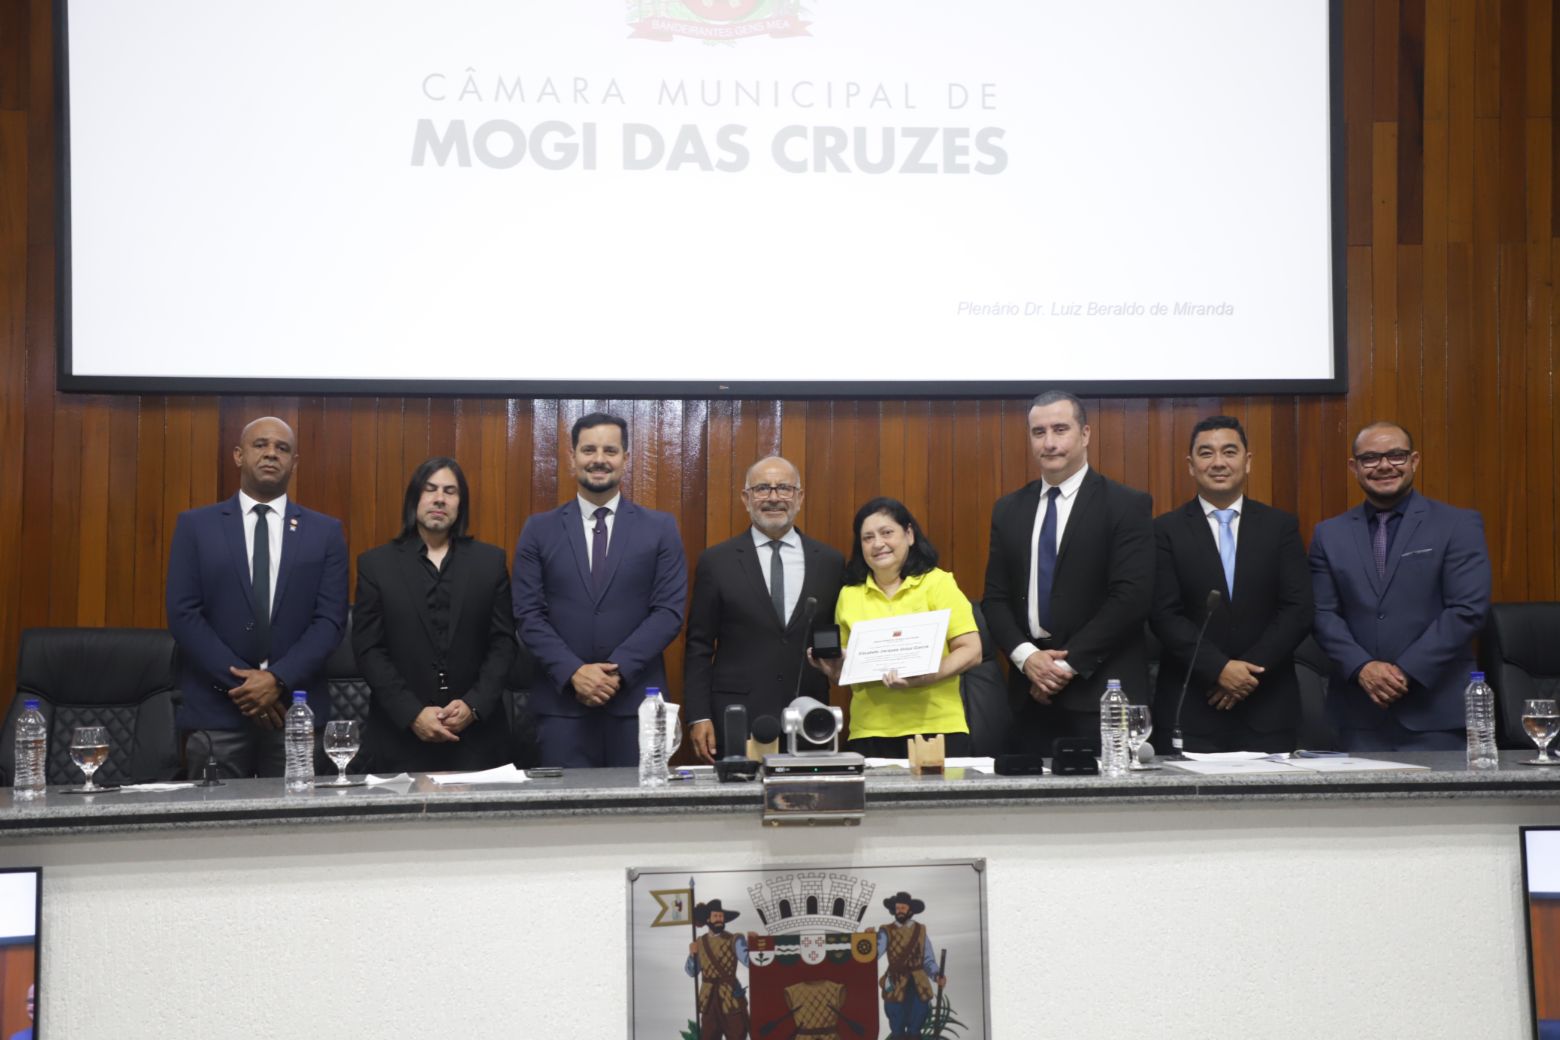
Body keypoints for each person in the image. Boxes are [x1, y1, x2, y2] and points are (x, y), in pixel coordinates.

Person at [166, 416, 348, 778]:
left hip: (294, 711)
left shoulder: (325, 532)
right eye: (260, 445)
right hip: (216, 712)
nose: (271, 453)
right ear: (238, 455)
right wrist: (246, 687)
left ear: (294, 462)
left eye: (282, 448)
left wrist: (277, 680)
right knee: (212, 815)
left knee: (296, 814)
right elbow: (183, 614)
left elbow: (330, 621)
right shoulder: (196, 526)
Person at [981, 390, 1154, 756]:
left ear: (1085, 434)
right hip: (1030, 697)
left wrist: (1064, 666)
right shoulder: (1009, 509)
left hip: (1100, 696)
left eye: (1060, 429)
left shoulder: (1125, 504)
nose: (1049, 442)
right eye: (1038, 432)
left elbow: (1131, 598)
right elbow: (995, 600)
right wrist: (1027, 658)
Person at [513, 412, 688, 767]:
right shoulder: (539, 530)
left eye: (610, 450)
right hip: (562, 708)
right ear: (572, 457)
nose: (599, 459)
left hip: (637, 708)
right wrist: (574, 673)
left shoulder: (660, 528)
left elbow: (668, 612)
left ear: (626, 458)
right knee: (563, 805)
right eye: (588, 449)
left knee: (639, 804)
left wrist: (616, 672)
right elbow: (527, 614)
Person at [1309, 421, 1492, 751]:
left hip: (1435, 712)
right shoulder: (1329, 534)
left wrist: (1404, 671)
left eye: (1396, 455)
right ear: (1354, 467)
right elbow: (1322, 613)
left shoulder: (1457, 524)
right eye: (1370, 458)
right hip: (1358, 715)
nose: (1384, 466)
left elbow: (1467, 610)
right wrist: (1363, 668)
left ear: (1414, 461)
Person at [1149, 416, 1313, 753]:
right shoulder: (1164, 531)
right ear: (1191, 465)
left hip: (1268, 707)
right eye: (1206, 453)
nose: (1218, 462)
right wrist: (1219, 669)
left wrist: (1245, 674)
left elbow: (1297, 610)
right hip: (1191, 707)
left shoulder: (1280, 527)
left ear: (1247, 461)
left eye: (1229, 451)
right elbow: (1164, 615)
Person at [352, 457, 518, 773]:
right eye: (430, 489)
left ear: (460, 504)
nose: (439, 498)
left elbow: (504, 644)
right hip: (399, 738)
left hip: (477, 740)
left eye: (450, 491)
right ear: (414, 499)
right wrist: (412, 713)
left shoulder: (490, 563)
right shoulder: (376, 566)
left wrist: (473, 705)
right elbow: (368, 650)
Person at [683, 456, 846, 762]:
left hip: (808, 715)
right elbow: (699, 645)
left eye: (784, 488)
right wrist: (699, 715)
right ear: (746, 499)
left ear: (800, 497)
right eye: (762, 489)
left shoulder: (830, 562)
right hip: (737, 716)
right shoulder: (716, 562)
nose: (773, 498)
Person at [810, 498, 980, 756]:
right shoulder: (849, 595)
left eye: (887, 532)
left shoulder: (938, 583)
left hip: (937, 729)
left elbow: (972, 650)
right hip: (870, 731)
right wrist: (835, 669)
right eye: (868, 538)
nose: (878, 544)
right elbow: (846, 671)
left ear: (909, 535)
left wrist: (923, 678)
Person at [876, 892, 945, 1040]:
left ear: (910, 910)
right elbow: (874, 953)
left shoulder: (920, 930)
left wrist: (936, 975)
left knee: (918, 1019)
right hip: (894, 982)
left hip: (918, 982)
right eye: (897, 908)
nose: (899, 910)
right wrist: (868, 939)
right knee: (896, 1021)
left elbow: (928, 959)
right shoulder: (886, 931)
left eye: (903, 907)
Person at [684, 899, 750, 1040]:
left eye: (721, 916)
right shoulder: (699, 942)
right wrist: (692, 955)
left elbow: (749, 961)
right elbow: (691, 972)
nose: (719, 919)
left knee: (737, 1034)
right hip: (708, 999)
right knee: (709, 1036)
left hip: (730, 997)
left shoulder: (735, 939)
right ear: (708, 919)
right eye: (716, 916)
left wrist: (755, 946)